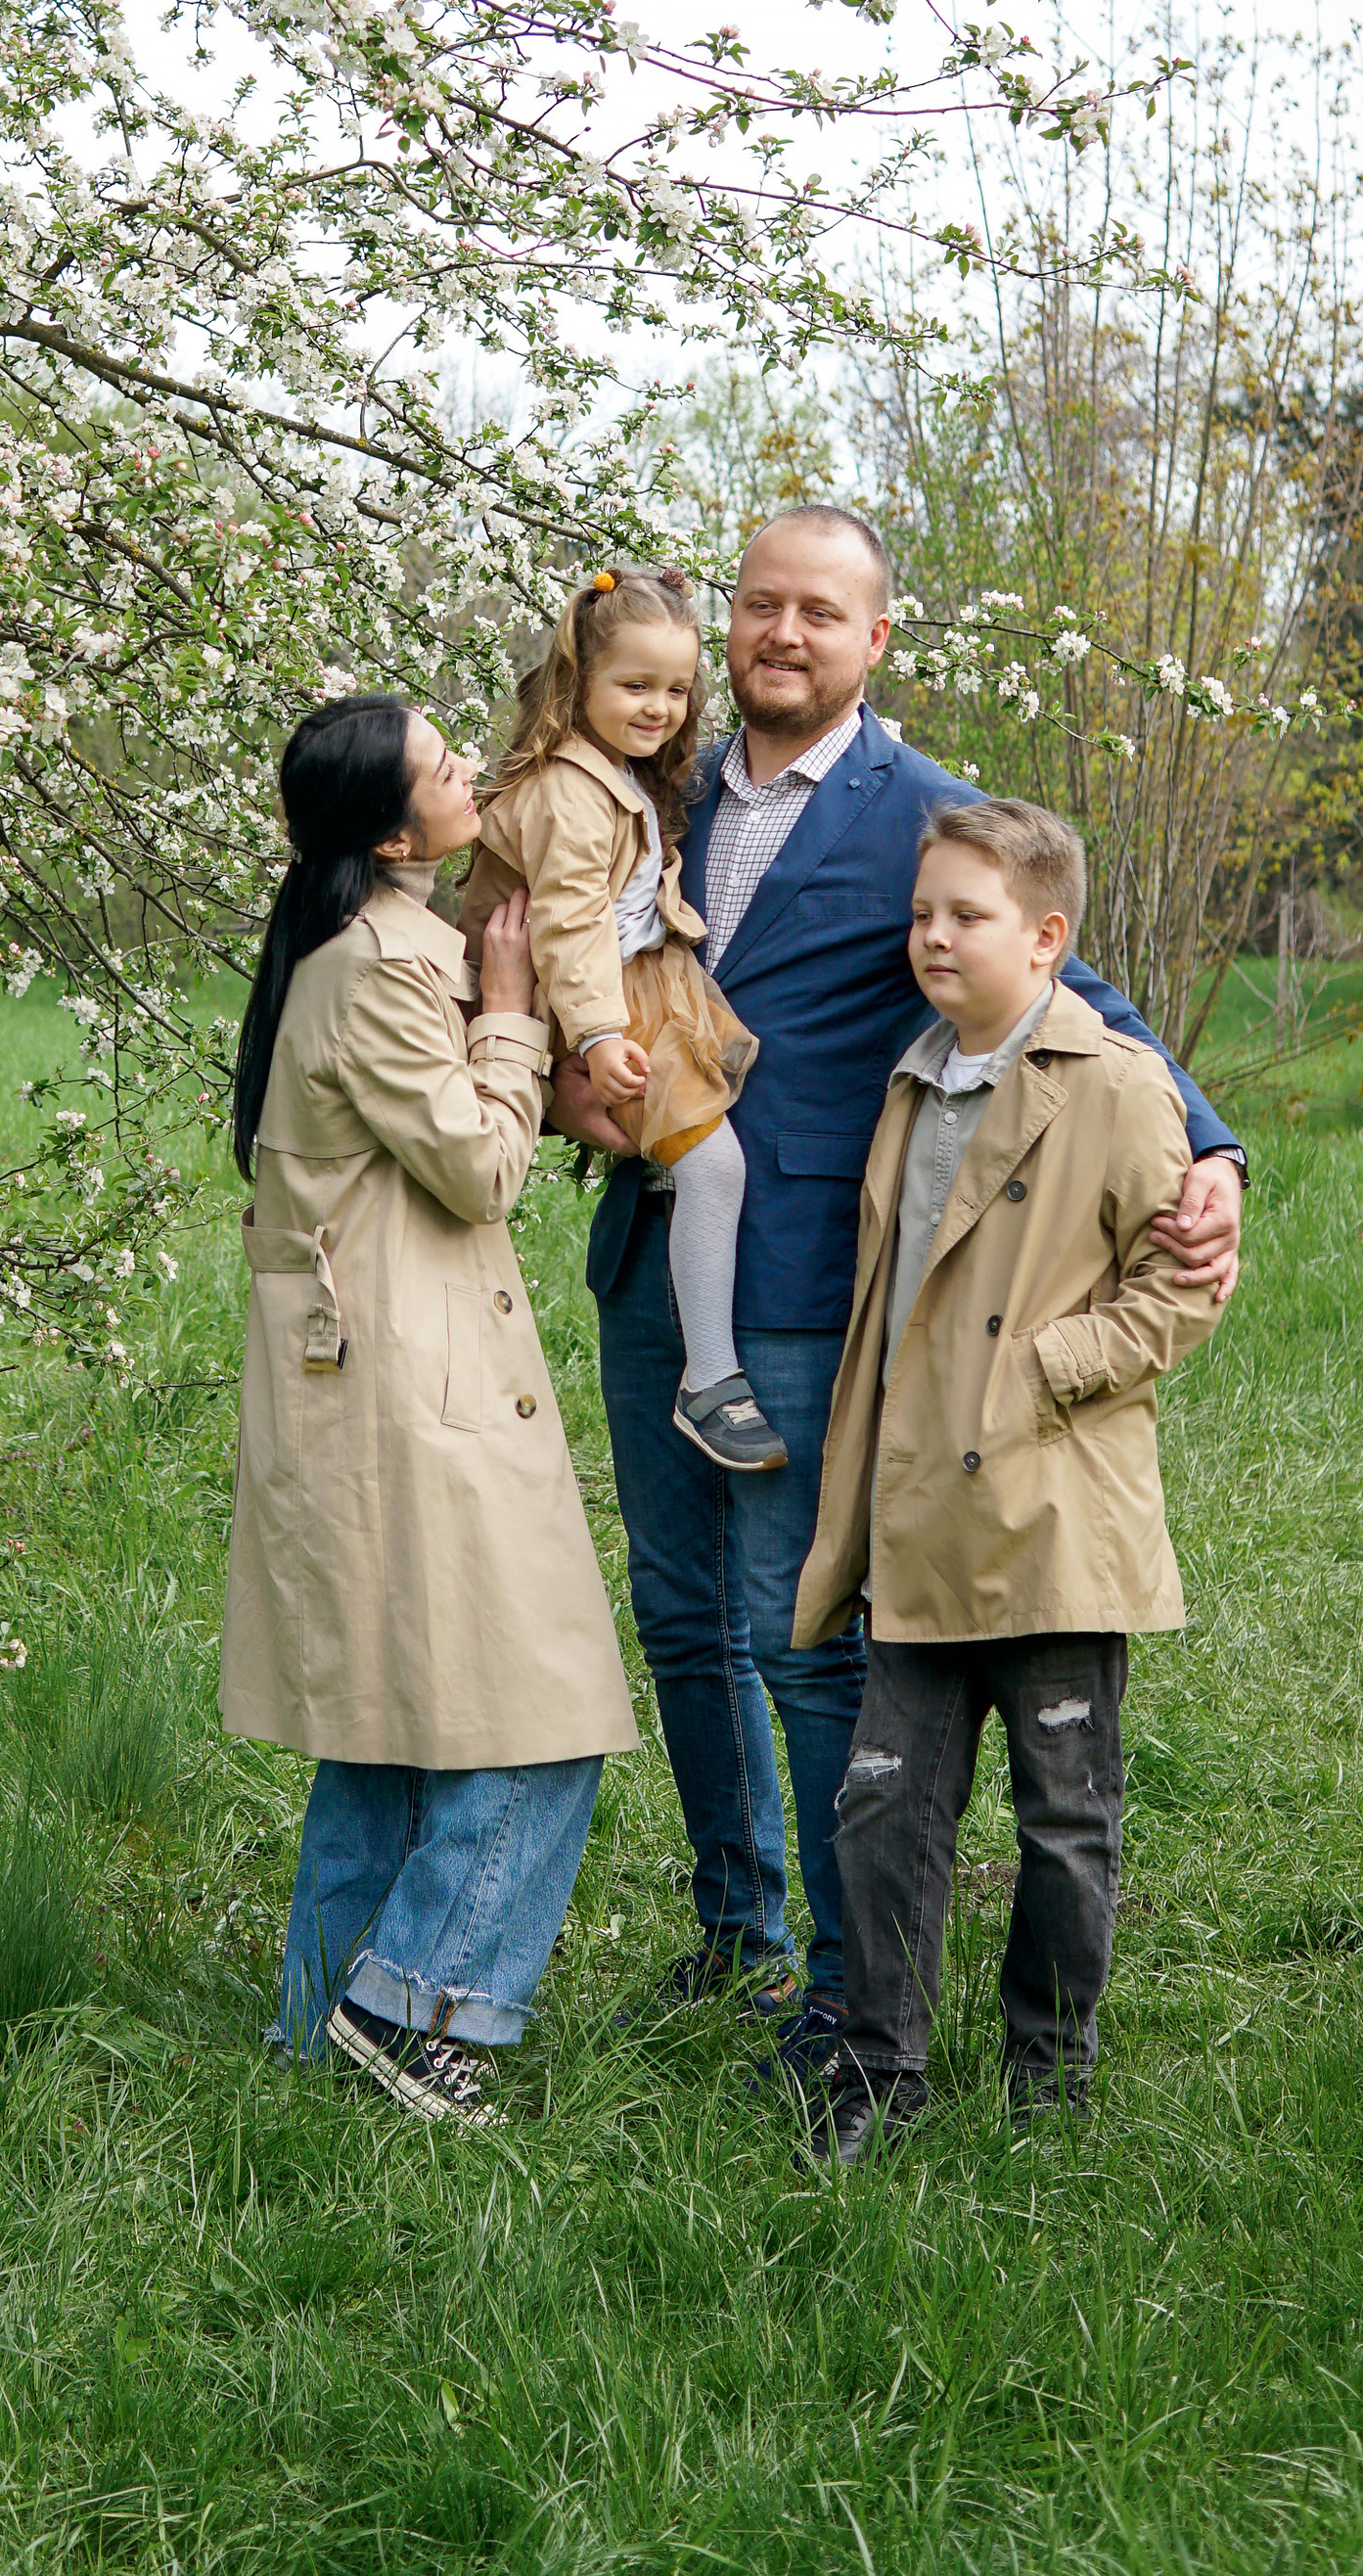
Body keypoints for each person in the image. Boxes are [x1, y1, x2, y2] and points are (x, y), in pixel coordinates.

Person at [553, 506, 1245, 2055]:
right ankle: (730, 1921)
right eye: (757, 607)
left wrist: (1212, 1150)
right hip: (648, 1254)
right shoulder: (640, 787)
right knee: (677, 1615)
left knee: (797, 1628)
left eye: (818, 612)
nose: (779, 635)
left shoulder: (918, 811)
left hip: (808, 1278)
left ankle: (836, 1968)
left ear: (877, 640)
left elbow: (1088, 993)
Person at [220, 690, 639, 2131]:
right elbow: (477, 1171)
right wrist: (516, 1023)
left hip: (376, 1376)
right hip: (411, 1386)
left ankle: (312, 2035)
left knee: (391, 1721)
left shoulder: (353, 944)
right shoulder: (388, 969)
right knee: (543, 1714)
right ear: (396, 831)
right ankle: (416, 2010)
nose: (474, 771)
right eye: (449, 767)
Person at [790, 797, 1223, 2155]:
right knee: (885, 1810)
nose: (932, 937)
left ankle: (1051, 2080)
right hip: (917, 1518)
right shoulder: (916, 1075)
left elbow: (1182, 1289)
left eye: (965, 917)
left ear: (1047, 939)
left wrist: (1040, 1374)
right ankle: (879, 2075)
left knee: (1064, 1822)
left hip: (1048, 1520)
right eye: (922, 913)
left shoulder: (1118, 1083)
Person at [460, 565, 780, 1475]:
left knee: (710, 1127)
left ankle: (686, 1231)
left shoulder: (610, 774)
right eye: (634, 686)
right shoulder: (569, 791)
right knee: (717, 1163)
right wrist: (597, 1038)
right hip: (601, 995)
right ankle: (709, 1379)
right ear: (579, 683)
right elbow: (564, 923)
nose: (659, 709)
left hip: (638, 979)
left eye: (677, 690)